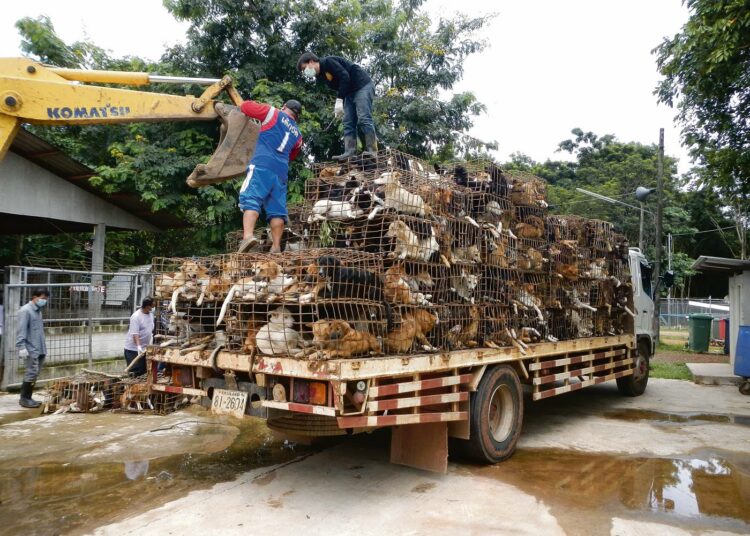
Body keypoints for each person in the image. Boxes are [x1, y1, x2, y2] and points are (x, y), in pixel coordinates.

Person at [237, 99, 304, 253]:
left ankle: (248, 236)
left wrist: (254, 103)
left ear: (285, 107)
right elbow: (292, 155)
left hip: (262, 165)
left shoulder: (273, 112)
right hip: (281, 173)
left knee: (251, 198)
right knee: (277, 210)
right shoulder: (298, 136)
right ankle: (275, 248)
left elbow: (245, 107)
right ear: (297, 116)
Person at [297, 52, 377, 160]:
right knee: (348, 122)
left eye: (304, 68)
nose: (305, 72)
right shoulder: (321, 76)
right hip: (350, 92)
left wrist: (339, 100)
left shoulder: (328, 62)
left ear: (311, 61)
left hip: (362, 85)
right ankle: (350, 152)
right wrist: (340, 102)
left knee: (364, 118)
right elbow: (340, 86)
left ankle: (372, 151)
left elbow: (345, 77)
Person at [16, 288, 50, 408]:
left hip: (39, 348)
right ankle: (24, 398)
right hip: (30, 348)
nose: (44, 301)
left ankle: (29, 397)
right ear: (34, 297)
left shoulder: (38, 310)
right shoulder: (25, 311)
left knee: (35, 373)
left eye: (46, 299)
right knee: (31, 373)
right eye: (42, 298)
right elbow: (21, 330)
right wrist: (21, 347)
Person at [124, 297, 154, 376]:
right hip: (133, 350)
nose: (153, 308)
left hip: (145, 349)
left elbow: (150, 330)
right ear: (147, 306)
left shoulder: (151, 315)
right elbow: (135, 334)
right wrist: (138, 346)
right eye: (152, 306)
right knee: (135, 372)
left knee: (144, 371)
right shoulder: (136, 316)